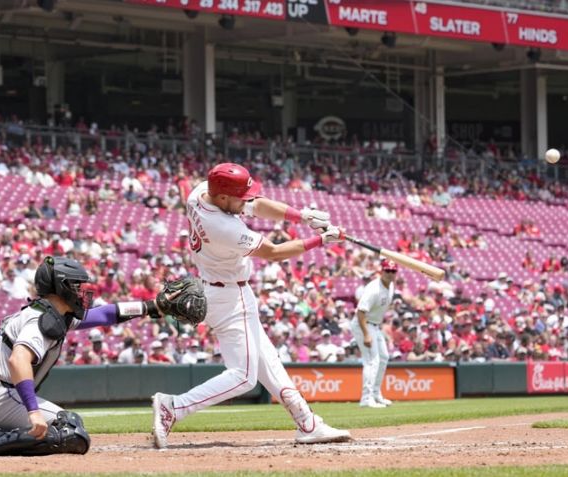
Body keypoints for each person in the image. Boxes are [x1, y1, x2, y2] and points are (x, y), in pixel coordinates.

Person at [151, 162, 350, 449]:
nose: (245, 200)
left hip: (220, 289)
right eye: (238, 197)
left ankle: (307, 423)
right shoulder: (223, 226)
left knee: (268, 361)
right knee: (244, 377)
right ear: (221, 197)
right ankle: (175, 407)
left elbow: (255, 205)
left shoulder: (199, 193)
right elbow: (274, 252)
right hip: (230, 298)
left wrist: (302, 215)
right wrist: (319, 239)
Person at [0, 256, 178, 457]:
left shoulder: (51, 313)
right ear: (62, 287)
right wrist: (33, 412)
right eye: (76, 286)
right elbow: (18, 360)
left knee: (66, 428)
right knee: (71, 430)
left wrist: (151, 306)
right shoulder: (41, 320)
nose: (82, 292)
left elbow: (106, 314)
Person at [352, 259, 397, 408]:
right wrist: (366, 334)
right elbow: (360, 312)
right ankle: (366, 398)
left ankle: (376, 394)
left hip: (375, 325)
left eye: (393, 271)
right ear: (381, 271)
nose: (390, 274)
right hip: (363, 324)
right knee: (372, 361)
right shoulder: (374, 289)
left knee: (384, 357)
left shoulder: (391, 286)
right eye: (387, 271)